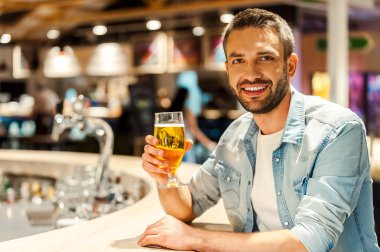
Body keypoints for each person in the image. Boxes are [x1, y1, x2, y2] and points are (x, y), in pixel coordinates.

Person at [139, 8, 379, 251]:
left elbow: (310, 241)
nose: (250, 74)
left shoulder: (338, 130)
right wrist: (166, 177)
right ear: (228, 69)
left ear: (290, 65)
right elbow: (189, 204)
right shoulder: (235, 136)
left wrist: (196, 239)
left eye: (265, 58)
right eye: (238, 60)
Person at [169, 87, 217, 162]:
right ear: (186, 96)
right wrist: (209, 144)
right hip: (187, 146)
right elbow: (195, 130)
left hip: (172, 147)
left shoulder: (170, 111)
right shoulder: (186, 111)